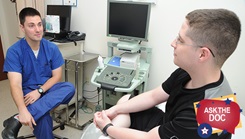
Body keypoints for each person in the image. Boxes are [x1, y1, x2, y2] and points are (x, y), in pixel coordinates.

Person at [93, 8, 241, 139]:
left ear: (202, 54)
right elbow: (153, 96)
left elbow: (149, 138)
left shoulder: (205, 115)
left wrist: (108, 128)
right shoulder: (189, 72)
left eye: (180, 40)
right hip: (169, 124)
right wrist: (113, 110)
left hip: (168, 133)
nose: (173, 43)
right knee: (125, 101)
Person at [1, 7, 75, 139]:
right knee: (43, 120)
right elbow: (15, 85)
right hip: (28, 93)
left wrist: (40, 91)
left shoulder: (51, 48)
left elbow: (57, 76)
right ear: (22, 27)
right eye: (31, 25)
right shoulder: (14, 52)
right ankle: (24, 116)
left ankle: (16, 120)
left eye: (40, 24)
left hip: (48, 88)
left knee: (69, 88)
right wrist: (23, 108)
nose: (38, 29)